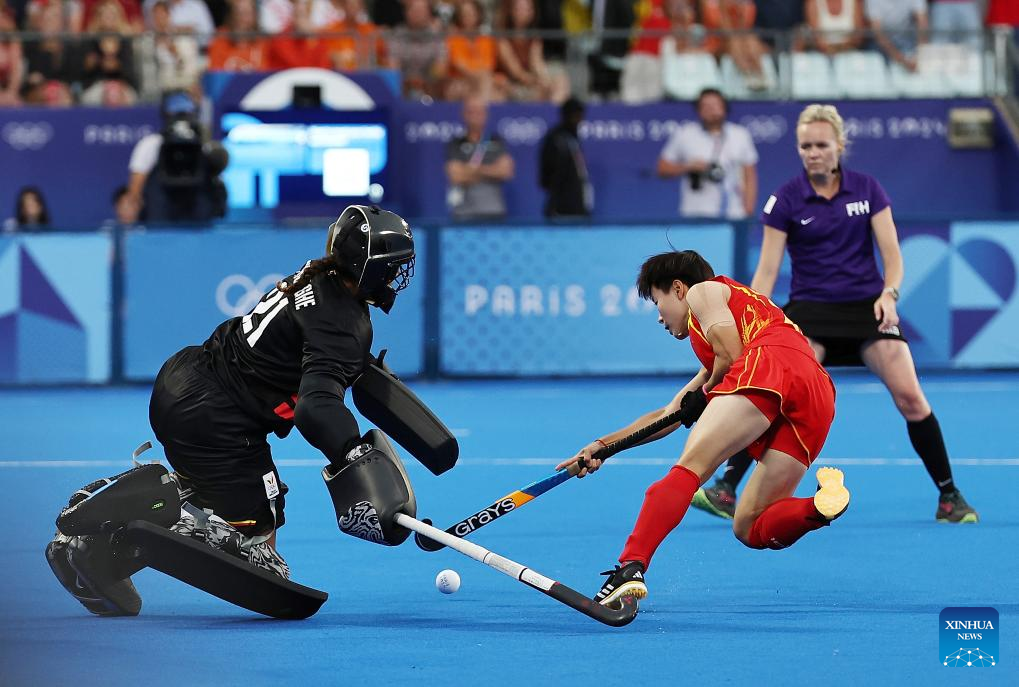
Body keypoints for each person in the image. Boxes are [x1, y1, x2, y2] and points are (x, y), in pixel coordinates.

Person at [47, 205, 417, 615]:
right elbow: (316, 408)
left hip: (184, 383)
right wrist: (356, 459)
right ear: (364, 268)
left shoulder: (321, 275)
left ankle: (125, 520)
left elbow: (310, 346)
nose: (396, 277)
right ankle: (108, 548)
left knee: (217, 491)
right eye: (390, 268)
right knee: (259, 538)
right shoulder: (342, 321)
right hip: (216, 419)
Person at [693, 104, 978, 524]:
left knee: (911, 398)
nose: (813, 153)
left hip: (867, 310)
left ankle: (949, 496)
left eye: (822, 145)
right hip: (809, 313)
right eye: (805, 146)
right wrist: (753, 320)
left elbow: (893, 257)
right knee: (774, 393)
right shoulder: (786, 198)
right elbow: (768, 269)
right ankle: (727, 488)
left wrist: (890, 294)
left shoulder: (868, 190)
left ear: (840, 146)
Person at [556, 250, 848, 609]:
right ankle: (819, 507)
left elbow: (732, 353)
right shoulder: (730, 331)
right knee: (750, 527)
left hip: (770, 363)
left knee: (689, 468)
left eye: (657, 300)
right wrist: (603, 446)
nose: (659, 317)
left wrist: (706, 392)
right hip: (817, 392)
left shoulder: (703, 292)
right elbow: (669, 415)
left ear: (678, 288)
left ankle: (630, 566)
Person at [657, 88, 758, 220]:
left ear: (724, 107)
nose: (711, 110)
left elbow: (749, 175)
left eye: (715, 105)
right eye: (706, 106)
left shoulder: (740, 134)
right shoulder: (685, 134)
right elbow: (662, 168)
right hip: (696, 212)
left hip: (734, 213)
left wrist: (748, 209)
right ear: (698, 110)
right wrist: (688, 167)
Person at [445, 95, 515, 221]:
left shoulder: (497, 141)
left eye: (479, 112)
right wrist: (491, 170)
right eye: (471, 112)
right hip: (464, 213)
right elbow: (455, 176)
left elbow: (505, 172)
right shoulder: (456, 143)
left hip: (494, 211)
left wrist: (470, 170)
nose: (475, 116)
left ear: (486, 115)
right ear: (464, 115)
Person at [539, 96, 591, 218]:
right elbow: (547, 173)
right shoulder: (556, 138)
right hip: (561, 204)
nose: (579, 120)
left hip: (577, 201)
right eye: (576, 116)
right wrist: (557, 198)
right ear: (567, 116)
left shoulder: (573, 137)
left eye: (581, 116)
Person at [864, 0, 928, 73]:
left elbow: (923, 23)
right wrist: (902, 60)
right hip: (879, 47)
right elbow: (878, 34)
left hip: (907, 42)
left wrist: (919, 54)